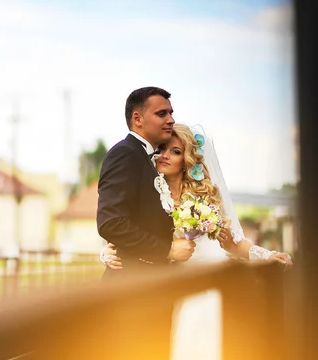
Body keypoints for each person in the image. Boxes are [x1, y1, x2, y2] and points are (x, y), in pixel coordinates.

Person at [100, 123, 293, 360]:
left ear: (187, 159)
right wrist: (107, 252)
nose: (165, 156)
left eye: (176, 151)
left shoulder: (205, 196)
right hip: (165, 284)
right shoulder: (148, 192)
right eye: (161, 149)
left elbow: (233, 242)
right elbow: (124, 230)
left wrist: (266, 255)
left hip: (205, 280)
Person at [96, 87, 196, 278]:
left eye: (171, 113)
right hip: (130, 288)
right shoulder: (125, 153)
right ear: (137, 119)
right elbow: (111, 223)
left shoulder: (152, 161)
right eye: (161, 114)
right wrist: (168, 250)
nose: (171, 120)